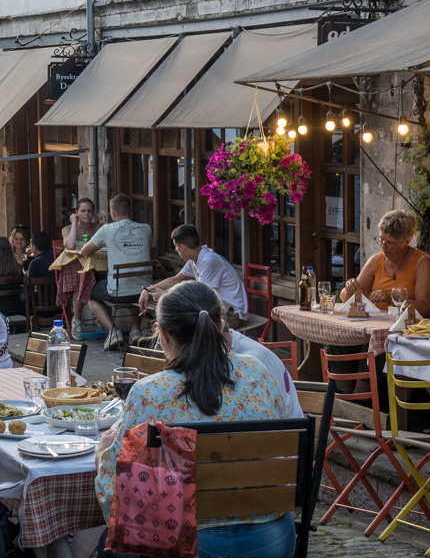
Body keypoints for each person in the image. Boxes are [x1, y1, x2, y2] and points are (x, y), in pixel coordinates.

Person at [95, 281, 296, 558]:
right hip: (271, 539)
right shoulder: (258, 373)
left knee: (107, 544)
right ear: (222, 326)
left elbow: (117, 496)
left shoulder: (149, 393)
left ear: (163, 334)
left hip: (188, 545)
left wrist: (101, 457)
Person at [80, 193, 153, 351]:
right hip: (144, 290)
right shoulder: (146, 229)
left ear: (112, 213)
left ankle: (113, 332)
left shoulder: (107, 229)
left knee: (90, 295)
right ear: (130, 212)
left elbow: (84, 251)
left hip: (118, 291)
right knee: (133, 285)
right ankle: (135, 330)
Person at [140, 225, 248, 328]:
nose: (178, 253)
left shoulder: (208, 261)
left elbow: (202, 298)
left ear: (183, 247)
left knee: (178, 318)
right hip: (215, 308)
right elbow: (175, 279)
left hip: (231, 314)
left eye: (177, 249)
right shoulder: (195, 259)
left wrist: (165, 296)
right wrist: (147, 289)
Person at [340, 210, 430, 317]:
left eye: (390, 243)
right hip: (377, 322)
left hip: (407, 325)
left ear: (407, 241)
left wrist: (391, 299)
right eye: (381, 240)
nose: (383, 246)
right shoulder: (376, 260)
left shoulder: (422, 263)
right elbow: (347, 299)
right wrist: (349, 289)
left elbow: (426, 308)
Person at [60, 198, 107, 337]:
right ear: (77, 213)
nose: (87, 214)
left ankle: (92, 318)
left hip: (98, 267)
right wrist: (74, 223)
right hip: (76, 270)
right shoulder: (67, 229)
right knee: (81, 278)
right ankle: (77, 320)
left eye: (90, 211)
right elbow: (69, 246)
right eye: (83, 211)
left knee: (85, 277)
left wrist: (105, 224)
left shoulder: (98, 228)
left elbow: (112, 241)